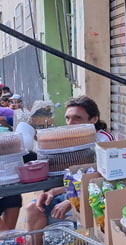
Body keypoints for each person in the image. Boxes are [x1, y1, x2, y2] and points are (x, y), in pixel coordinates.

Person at [25, 96, 115, 235]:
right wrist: (54, 192)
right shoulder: (73, 138)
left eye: (77, 118)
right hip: (73, 190)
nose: (70, 123)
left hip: (95, 195)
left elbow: (100, 176)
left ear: (94, 119)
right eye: (68, 118)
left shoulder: (103, 139)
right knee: (33, 208)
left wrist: (70, 200)